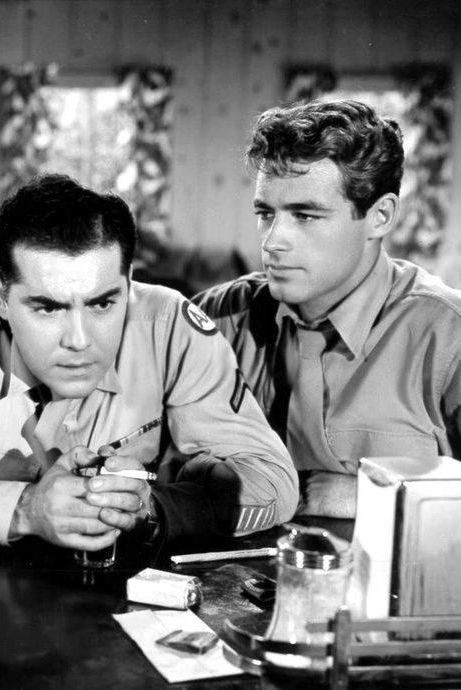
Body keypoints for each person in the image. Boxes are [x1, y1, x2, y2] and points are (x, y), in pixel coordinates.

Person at [0, 174, 298, 553]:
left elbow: (274, 481)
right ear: (3, 297)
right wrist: (24, 509)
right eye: (47, 308)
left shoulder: (170, 325)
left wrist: (151, 510)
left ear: (128, 282)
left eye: (102, 303)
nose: (79, 341)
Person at [194, 99, 461, 518]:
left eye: (305, 216)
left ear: (380, 216)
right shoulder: (219, 317)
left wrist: (373, 497)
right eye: (266, 214)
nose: (272, 241)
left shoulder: (448, 336)